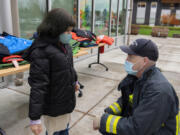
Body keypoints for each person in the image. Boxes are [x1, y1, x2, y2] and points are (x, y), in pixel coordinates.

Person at [93, 38, 179, 135]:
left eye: (130, 56)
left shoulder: (158, 91)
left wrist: (103, 121)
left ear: (144, 61)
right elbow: (127, 100)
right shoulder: (138, 78)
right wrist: (110, 111)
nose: (126, 60)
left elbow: (138, 129)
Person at [23, 8, 79, 135]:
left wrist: (75, 80)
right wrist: (35, 118)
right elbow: (38, 86)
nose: (69, 34)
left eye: (71, 31)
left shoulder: (65, 45)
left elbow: (69, 67)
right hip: (53, 104)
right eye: (67, 31)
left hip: (66, 101)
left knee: (64, 129)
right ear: (55, 28)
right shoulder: (41, 51)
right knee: (56, 132)